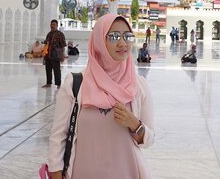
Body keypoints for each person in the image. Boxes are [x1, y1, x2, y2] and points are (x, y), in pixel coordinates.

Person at [47, 13, 154, 179]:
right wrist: (55, 172)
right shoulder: (75, 84)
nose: (122, 43)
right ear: (99, 41)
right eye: (113, 36)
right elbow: (58, 135)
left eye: (127, 36)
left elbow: (149, 140)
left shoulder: (138, 86)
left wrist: (134, 123)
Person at [42, 19, 66, 89]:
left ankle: (58, 84)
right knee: (48, 69)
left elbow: (63, 46)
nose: (52, 26)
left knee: (57, 70)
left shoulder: (60, 34)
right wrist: (44, 54)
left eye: (54, 25)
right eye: (51, 25)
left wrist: (62, 55)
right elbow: (46, 44)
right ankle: (48, 83)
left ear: (57, 25)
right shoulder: (49, 34)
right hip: (48, 55)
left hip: (56, 55)